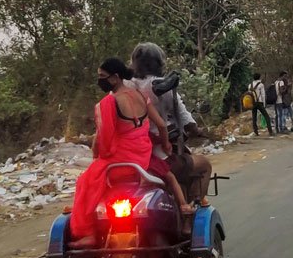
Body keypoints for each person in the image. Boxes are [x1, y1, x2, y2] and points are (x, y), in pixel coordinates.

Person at [71, 58, 184, 244]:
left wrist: (97, 157)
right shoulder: (140, 95)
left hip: (119, 159)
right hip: (143, 155)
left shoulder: (109, 102)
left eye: (102, 77)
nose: (100, 80)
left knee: (85, 182)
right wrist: (166, 145)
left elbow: (102, 139)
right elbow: (162, 126)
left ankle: (89, 234)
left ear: (115, 78)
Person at [129, 42, 213, 204]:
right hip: (157, 156)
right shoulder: (162, 86)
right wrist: (198, 131)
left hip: (127, 158)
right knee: (204, 165)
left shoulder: (123, 88)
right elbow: (185, 120)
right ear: (159, 63)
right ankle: (190, 214)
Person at [248, 72, 274, 136]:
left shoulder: (250, 85)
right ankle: (270, 131)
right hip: (259, 102)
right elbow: (263, 95)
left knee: (254, 117)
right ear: (259, 77)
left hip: (253, 103)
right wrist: (264, 104)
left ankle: (256, 131)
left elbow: (249, 95)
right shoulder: (261, 85)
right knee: (266, 116)